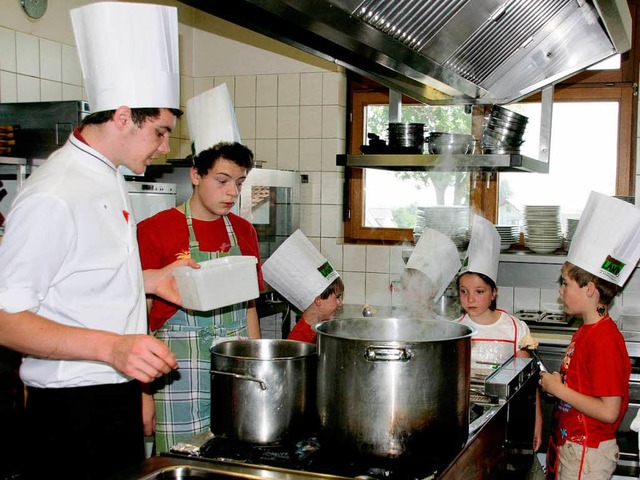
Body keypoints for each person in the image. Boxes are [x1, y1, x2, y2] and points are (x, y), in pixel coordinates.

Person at [0, 3, 192, 478]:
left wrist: (148, 280)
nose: (166, 146)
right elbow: (5, 319)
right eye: (161, 131)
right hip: (70, 413)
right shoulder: (53, 194)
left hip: (116, 396)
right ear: (124, 116)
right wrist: (113, 351)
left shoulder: (107, 177)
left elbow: (80, 282)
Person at [137, 85, 264, 452]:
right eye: (221, 181)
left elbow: (249, 308)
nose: (231, 193)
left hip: (234, 375)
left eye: (238, 183)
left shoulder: (244, 232)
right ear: (195, 175)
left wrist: (256, 369)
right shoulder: (155, 230)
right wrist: (142, 393)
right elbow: (139, 319)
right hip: (177, 379)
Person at [539, 191, 640, 480]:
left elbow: (609, 412)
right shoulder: (586, 330)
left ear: (590, 289)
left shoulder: (604, 339)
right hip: (572, 445)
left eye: (565, 283)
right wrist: (558, 385)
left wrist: (559, 390)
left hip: (588, 453)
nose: (560, 290)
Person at [456, 215, 543, 456]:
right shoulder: (455, 331)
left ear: (494, 293)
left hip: (506, 420)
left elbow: (529, 383)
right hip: (464, 421)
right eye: (464, 292)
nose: (470, 299)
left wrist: (535, 420)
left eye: (479, 291)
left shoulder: (515, 329)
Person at [262, 229, 343, 343]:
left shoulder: (322, 328)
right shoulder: (298, 339)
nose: (341, 303)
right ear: (318, 300)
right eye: (337, 297)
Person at [399, 227, 462, 320]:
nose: (407, 294)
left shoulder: (444, 327)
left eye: (414, 288)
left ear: (433, 291)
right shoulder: (397, 324)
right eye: (405, 288)